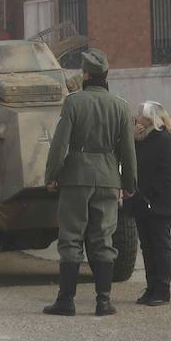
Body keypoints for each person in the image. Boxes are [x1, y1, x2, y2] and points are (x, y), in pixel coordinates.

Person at [42, 48, 136, 317]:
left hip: (76, 177)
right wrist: (128, 182)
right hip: (108, 177)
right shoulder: (121, 106)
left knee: (71, 238)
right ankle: (103, 301)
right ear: (105, 75)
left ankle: (66, 300)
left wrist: (52, 175)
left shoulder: (73, 102)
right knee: (103, 238)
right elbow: (128, 151)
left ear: (85, 74)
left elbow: (60, 144)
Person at [129, 100, 171, 306]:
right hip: (141, 202)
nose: (137, 119)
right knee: (147, 247)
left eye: (140, 116)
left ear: (151, 119)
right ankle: (151, 287)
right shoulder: (140, 140)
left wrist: (150, 194)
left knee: (160, 246)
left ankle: (162, 289)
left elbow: (168, 173)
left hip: (159, 203)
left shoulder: (166, 140)